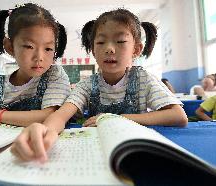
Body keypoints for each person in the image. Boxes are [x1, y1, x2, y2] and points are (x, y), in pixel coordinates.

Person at [11, 8, 188, 162]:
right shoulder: (88, 85)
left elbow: (178, 116)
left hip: (137, 149)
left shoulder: (143, 78)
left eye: (120, 41)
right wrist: (44, 130)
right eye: (101, 42)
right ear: (93, 50)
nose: (109, 48)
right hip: (98, 152)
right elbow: (61, 115)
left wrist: (117, 118)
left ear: (136, 50)